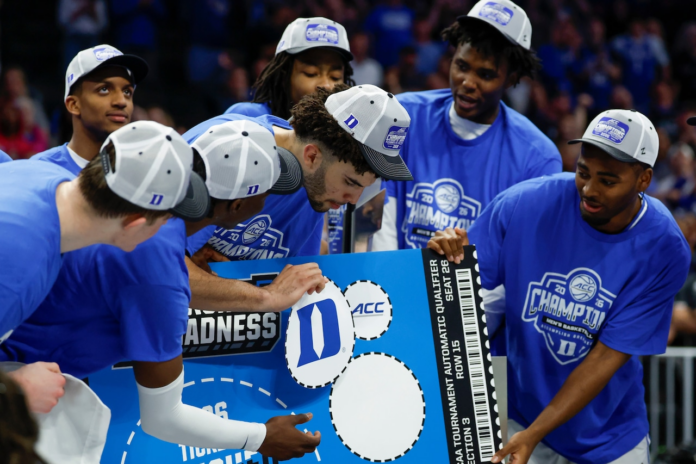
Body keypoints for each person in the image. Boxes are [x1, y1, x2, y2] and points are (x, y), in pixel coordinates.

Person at [2, 119, 324, 460]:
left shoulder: (37, 173)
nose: (161, 231)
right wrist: (16, 387)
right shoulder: (28, 267)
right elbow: (163, 417)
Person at [428, 110, 690, 464]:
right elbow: (458, 286)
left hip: (609, 439)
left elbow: (605, 357)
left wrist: (535, 433)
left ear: (644, 179)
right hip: (518, 418)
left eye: (608, 181)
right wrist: (444, 253)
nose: (590, 190)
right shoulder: (524, 203)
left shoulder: (664, 246)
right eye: (583, 172)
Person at [0, 119, 209, 413]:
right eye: (165, 222)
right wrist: (16, 390)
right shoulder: (20, 272)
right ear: (135, 224)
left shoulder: (37, 172)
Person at [372, 0, 561, 252]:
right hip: (395, 273)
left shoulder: (537, 158)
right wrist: (392, 276)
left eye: (485, 74)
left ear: (511, 79)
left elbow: (519, 257)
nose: (468, 83)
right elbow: (379, 221)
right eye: (461, 66)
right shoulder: (403, 116)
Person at [189, 83, 412, 264]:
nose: (353, 200)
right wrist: (266, 296)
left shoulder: (317, 188)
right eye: (350, 182)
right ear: (312, 156)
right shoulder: (229, 152)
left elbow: (299, 280)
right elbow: (170, 266)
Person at [226, 17, 355, 120]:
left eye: (335, 76)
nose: (326, 85)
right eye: (311, 73)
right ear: (284, 74)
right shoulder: (247, 117)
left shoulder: (349, 133)